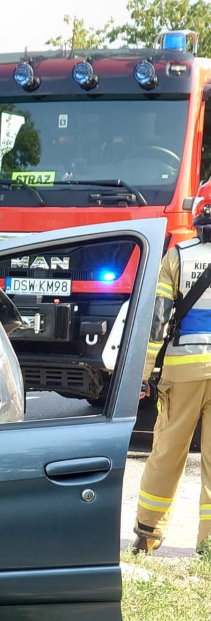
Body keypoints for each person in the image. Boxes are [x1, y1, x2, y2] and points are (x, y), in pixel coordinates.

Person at [131, 181, 211, 557]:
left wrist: (145, 372)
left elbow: (158, 323)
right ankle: (207, 547)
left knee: (167, 453)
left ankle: (147, 534)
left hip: (182, 374)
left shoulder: (178, 256)